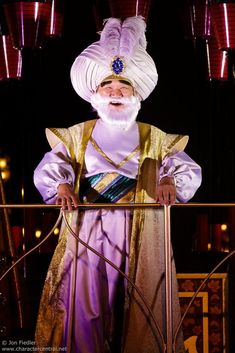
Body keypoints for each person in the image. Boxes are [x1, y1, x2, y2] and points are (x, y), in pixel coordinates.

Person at [33, 16, 202, 353]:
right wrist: (63, 186)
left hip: (139, 226)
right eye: (107, 88)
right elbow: (55, 164)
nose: (115, 94)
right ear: (95, 94)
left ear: (135, 93)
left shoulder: (152, 136)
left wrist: (168, 178)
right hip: (87, 227)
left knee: (139, 301)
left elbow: (181, 165)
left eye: (123, 88)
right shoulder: (78, 133)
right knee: (86, 304)